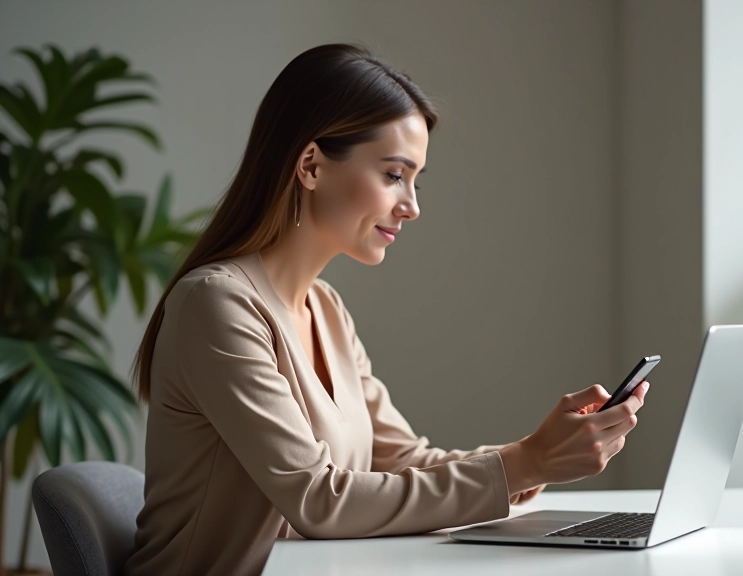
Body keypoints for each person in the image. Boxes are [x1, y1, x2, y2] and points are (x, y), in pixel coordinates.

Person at [123, 44, 647, 576]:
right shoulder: (217, 304)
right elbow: (318, 500)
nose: (412, 205)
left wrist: (537, 455)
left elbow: (402, 461)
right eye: (395, 175)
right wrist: (523, 463)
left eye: (416, 180)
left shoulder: (325, 308)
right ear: (310, 165)